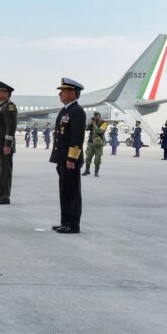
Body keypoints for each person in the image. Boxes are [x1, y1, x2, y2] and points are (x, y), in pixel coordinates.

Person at [50, 78, 86, 234]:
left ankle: (73, 224)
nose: (60, 93)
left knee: (72, 192)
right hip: (62, 159)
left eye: (63, 91)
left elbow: (77, 138)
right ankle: (65, 221)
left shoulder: (77, 111)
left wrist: (71, 158)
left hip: (70, 160)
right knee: (64, 191)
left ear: (72, 93)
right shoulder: (65, 111)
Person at [83, 112, 107, 177]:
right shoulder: (93, 122)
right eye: (94, 116)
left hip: (98, 144)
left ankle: (96, 172)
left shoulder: (104, 123)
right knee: (88, 157)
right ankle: (87, 170)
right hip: (90, 142)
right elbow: (87, 129)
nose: (95, 118)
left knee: (97, 159)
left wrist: (94, 125)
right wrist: (90, 123)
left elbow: (100, 131)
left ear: (99, 116)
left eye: (96, 116)